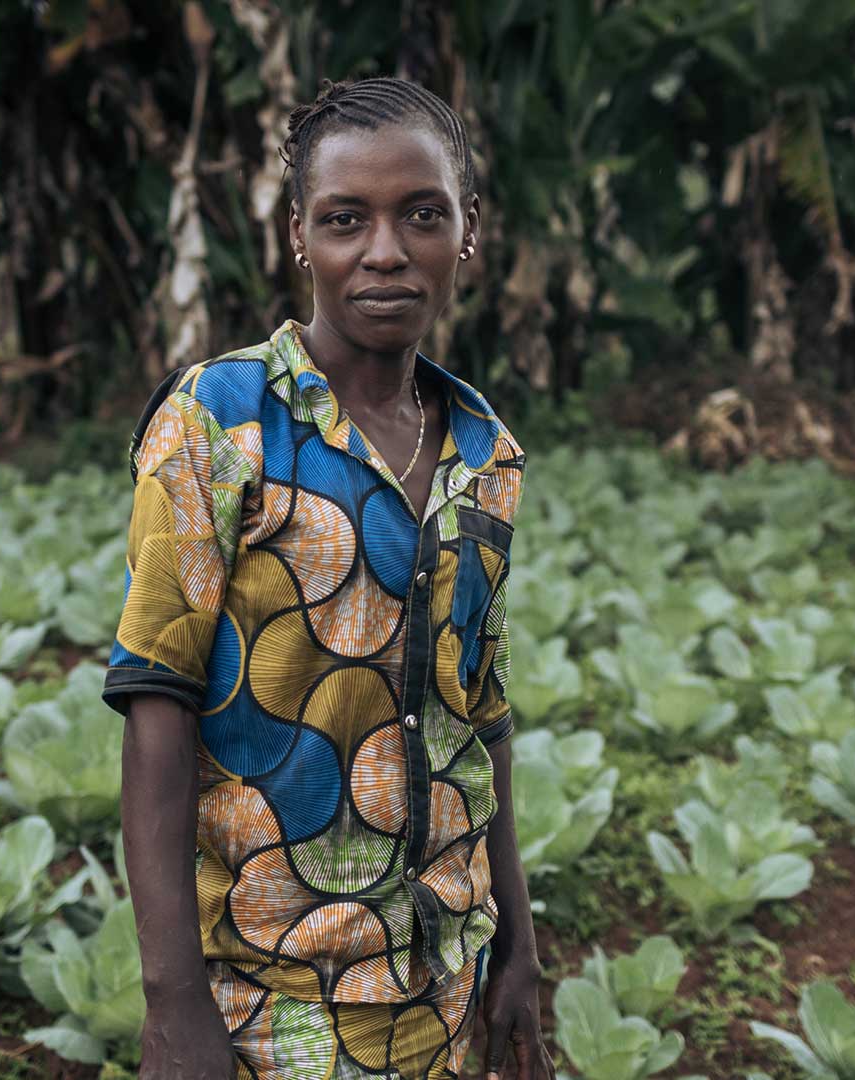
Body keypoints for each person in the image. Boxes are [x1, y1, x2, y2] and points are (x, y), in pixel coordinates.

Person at [104, 76, 555, 1080]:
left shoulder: (487, 452)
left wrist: (518, 948)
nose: (386, 251)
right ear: (301, 236)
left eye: (422, 215)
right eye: (347, 219)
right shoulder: (219, 423)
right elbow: (156, 701)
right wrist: (173, 1003)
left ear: (468, 230)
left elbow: (482, 718)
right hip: (267, 995)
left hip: (442, 987)